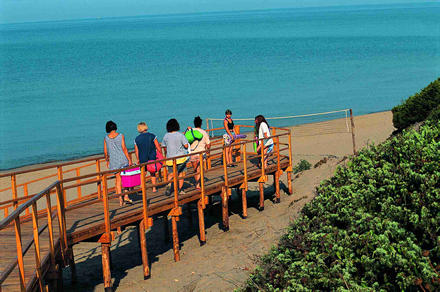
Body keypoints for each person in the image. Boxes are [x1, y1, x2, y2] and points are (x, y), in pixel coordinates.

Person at [103, 120, 133, 206]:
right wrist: (129, 159)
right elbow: (124, 148)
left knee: (118, 180)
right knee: (125, 178)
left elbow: (106, 152)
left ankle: (120, 199)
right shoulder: (120, 136)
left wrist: (107, 160)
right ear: (115, 127)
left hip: (114, 161)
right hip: (122, 159)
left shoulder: (106, 138)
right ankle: (126, 196)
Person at [162, 119, 189, 194]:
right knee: (181, 174)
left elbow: (164, 146)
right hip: (181, 158)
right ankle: (180, 190)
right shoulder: (180, 135)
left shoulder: (166, 135)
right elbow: (186, 146)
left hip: (170, 158)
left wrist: (167, 152)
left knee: (171, 173)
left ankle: (169, 185)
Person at [134, 122, 162, 193]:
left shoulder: (137, 139)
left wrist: (138, 159)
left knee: (143, 173)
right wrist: (160, 153)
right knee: (152, 173)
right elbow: (158, 146)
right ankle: (154, 188)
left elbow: (136, 151)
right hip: (151, 156)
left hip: (142, 158)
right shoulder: (152, 136)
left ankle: (142, 187)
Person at [189, 116, 211, 189]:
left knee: (195, 169)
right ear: (201, 124)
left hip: (192, 153)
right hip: (201, 153)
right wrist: (208, 150)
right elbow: (208, 144)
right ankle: (198, 184)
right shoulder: (204, 132)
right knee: (199, 169)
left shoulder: (191, 131)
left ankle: (197, 184)